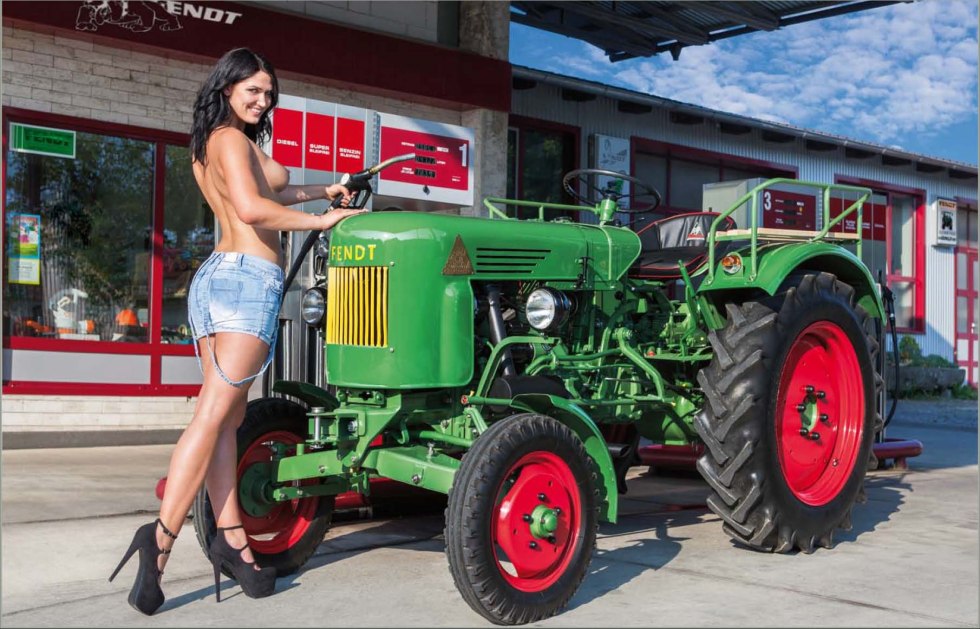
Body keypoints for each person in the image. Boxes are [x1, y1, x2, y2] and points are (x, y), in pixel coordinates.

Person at [109, 47, 364, 615]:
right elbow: (252, 210)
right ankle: (159, 542)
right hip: (247, 283)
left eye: (269, 93)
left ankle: (234, 544)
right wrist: (323, 222)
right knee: (211, 415)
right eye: (253, 89)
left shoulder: (215, 143)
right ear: (227, 86)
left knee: (226, 419)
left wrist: (327, 191)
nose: (262, 99)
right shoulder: (230, 138)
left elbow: (267, 194)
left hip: (217, 279)